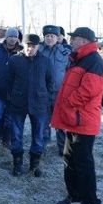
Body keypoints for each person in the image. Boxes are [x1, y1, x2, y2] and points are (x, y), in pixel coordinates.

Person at [52, 27, 103, 204]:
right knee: (69, 159)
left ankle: (91, 202)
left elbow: (88, 90)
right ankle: (74, 195)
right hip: (73, 119)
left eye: (73, 38)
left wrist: (68, 103)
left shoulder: (94, 61)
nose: (71, 41)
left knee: (83, 162)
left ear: (83, 41)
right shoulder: (80, 58)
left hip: (83, 120)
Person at [6, 34, 53, 176]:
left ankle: (34, 165)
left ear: (38, 46)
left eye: (33, 46)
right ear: (23, 45)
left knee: (38, 135)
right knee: (16, 134)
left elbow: (49, 82)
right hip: (18, 103)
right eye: (28, 45)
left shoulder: (45, 61)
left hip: (39, 104)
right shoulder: (14, 60)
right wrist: (13, 96)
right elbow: (8, 81)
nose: (30, 48)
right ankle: (17, 164)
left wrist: (45, 97)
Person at [38, 25, 71, 154]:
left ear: (58, 38)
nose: (50, 38)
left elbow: (70, 72)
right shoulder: (38, 51)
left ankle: (62, 148)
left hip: (59, 93)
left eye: (52, 36)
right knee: (43, 120)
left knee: (61, 122)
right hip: (43, 92)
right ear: (44, 37)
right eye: (47, 36)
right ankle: (43, 144)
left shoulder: (66, 53)